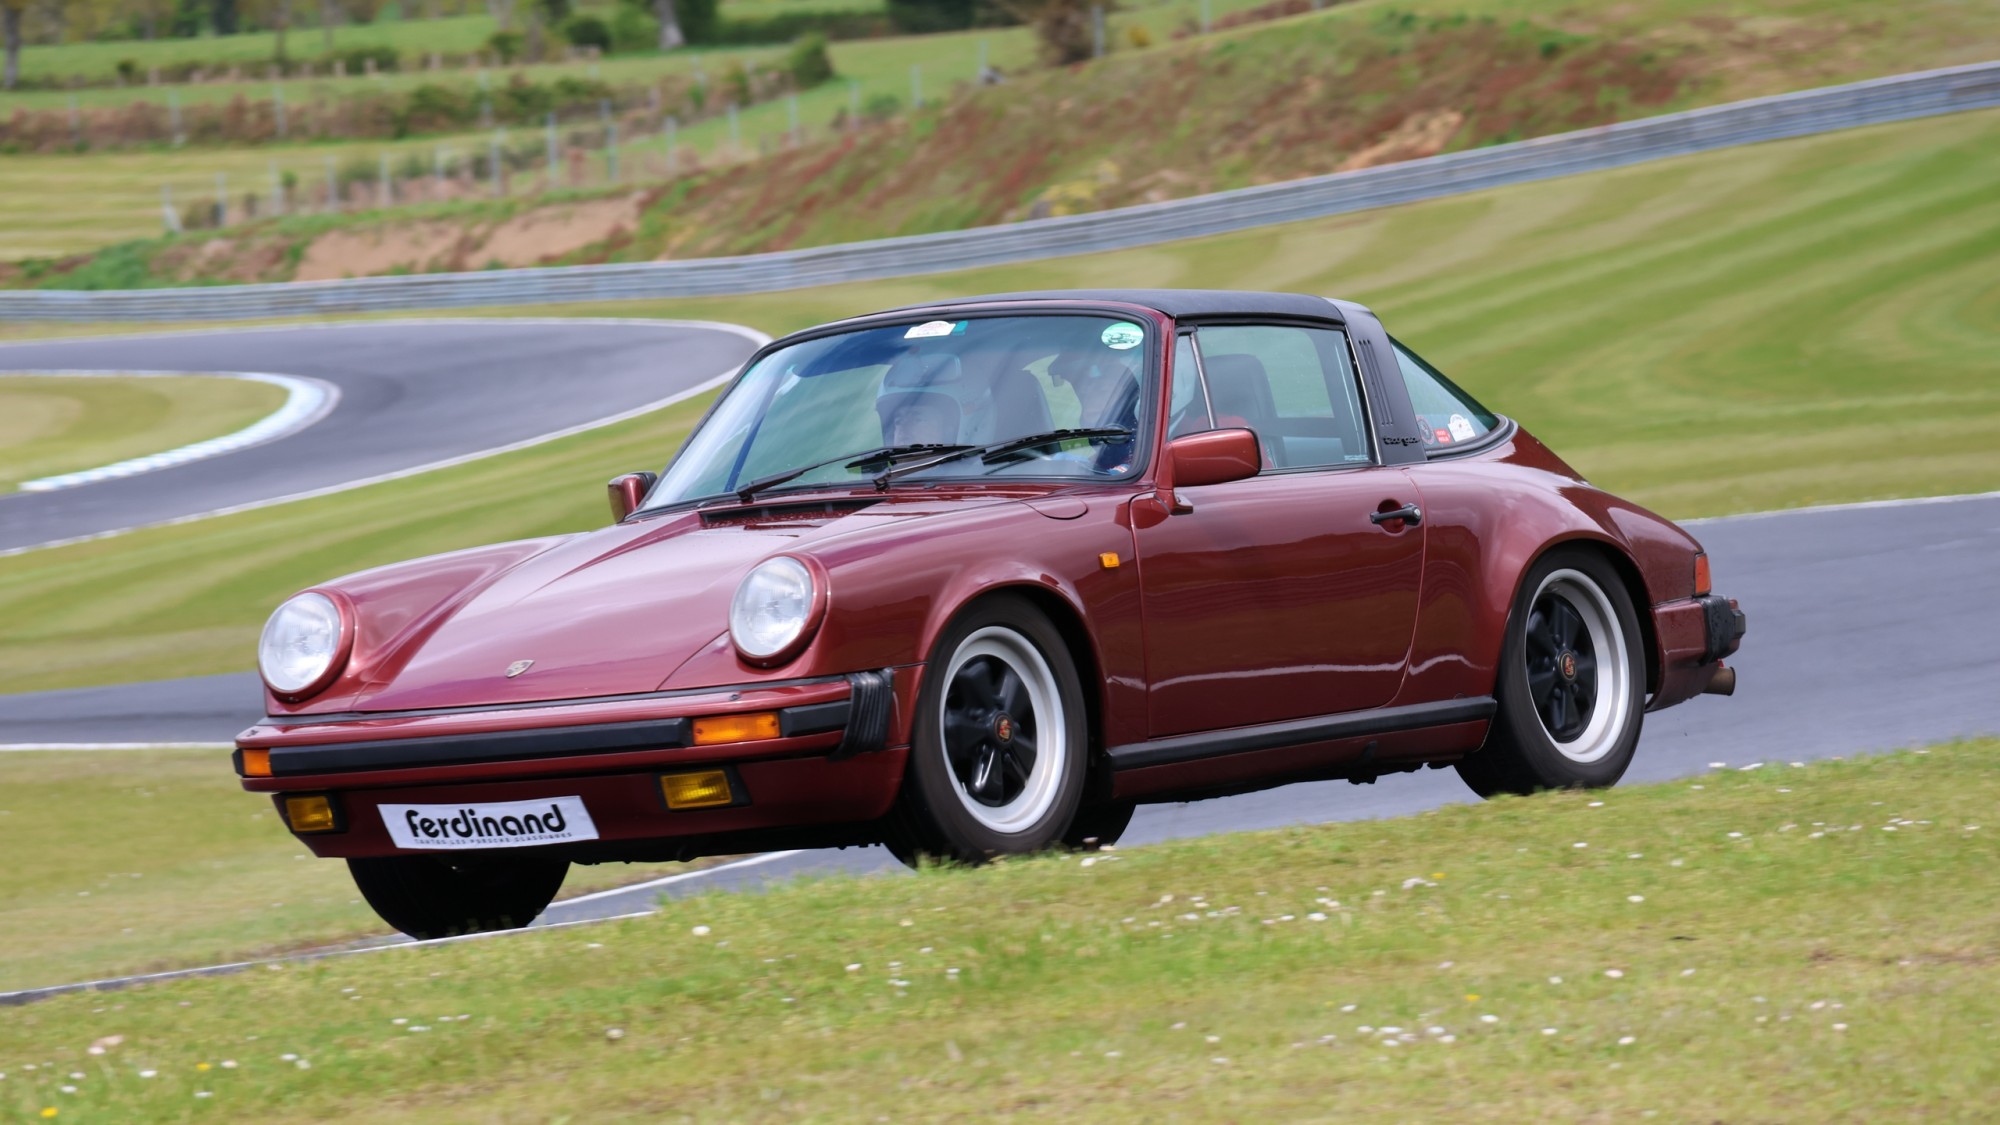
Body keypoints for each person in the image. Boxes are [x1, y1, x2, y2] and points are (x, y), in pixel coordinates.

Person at [1047, 350, 1140, 473]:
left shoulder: (1138, 461)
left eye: (1102, 391)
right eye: (1084, 393)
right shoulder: (1096, 460)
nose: (1088, 399)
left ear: (1126, 400)